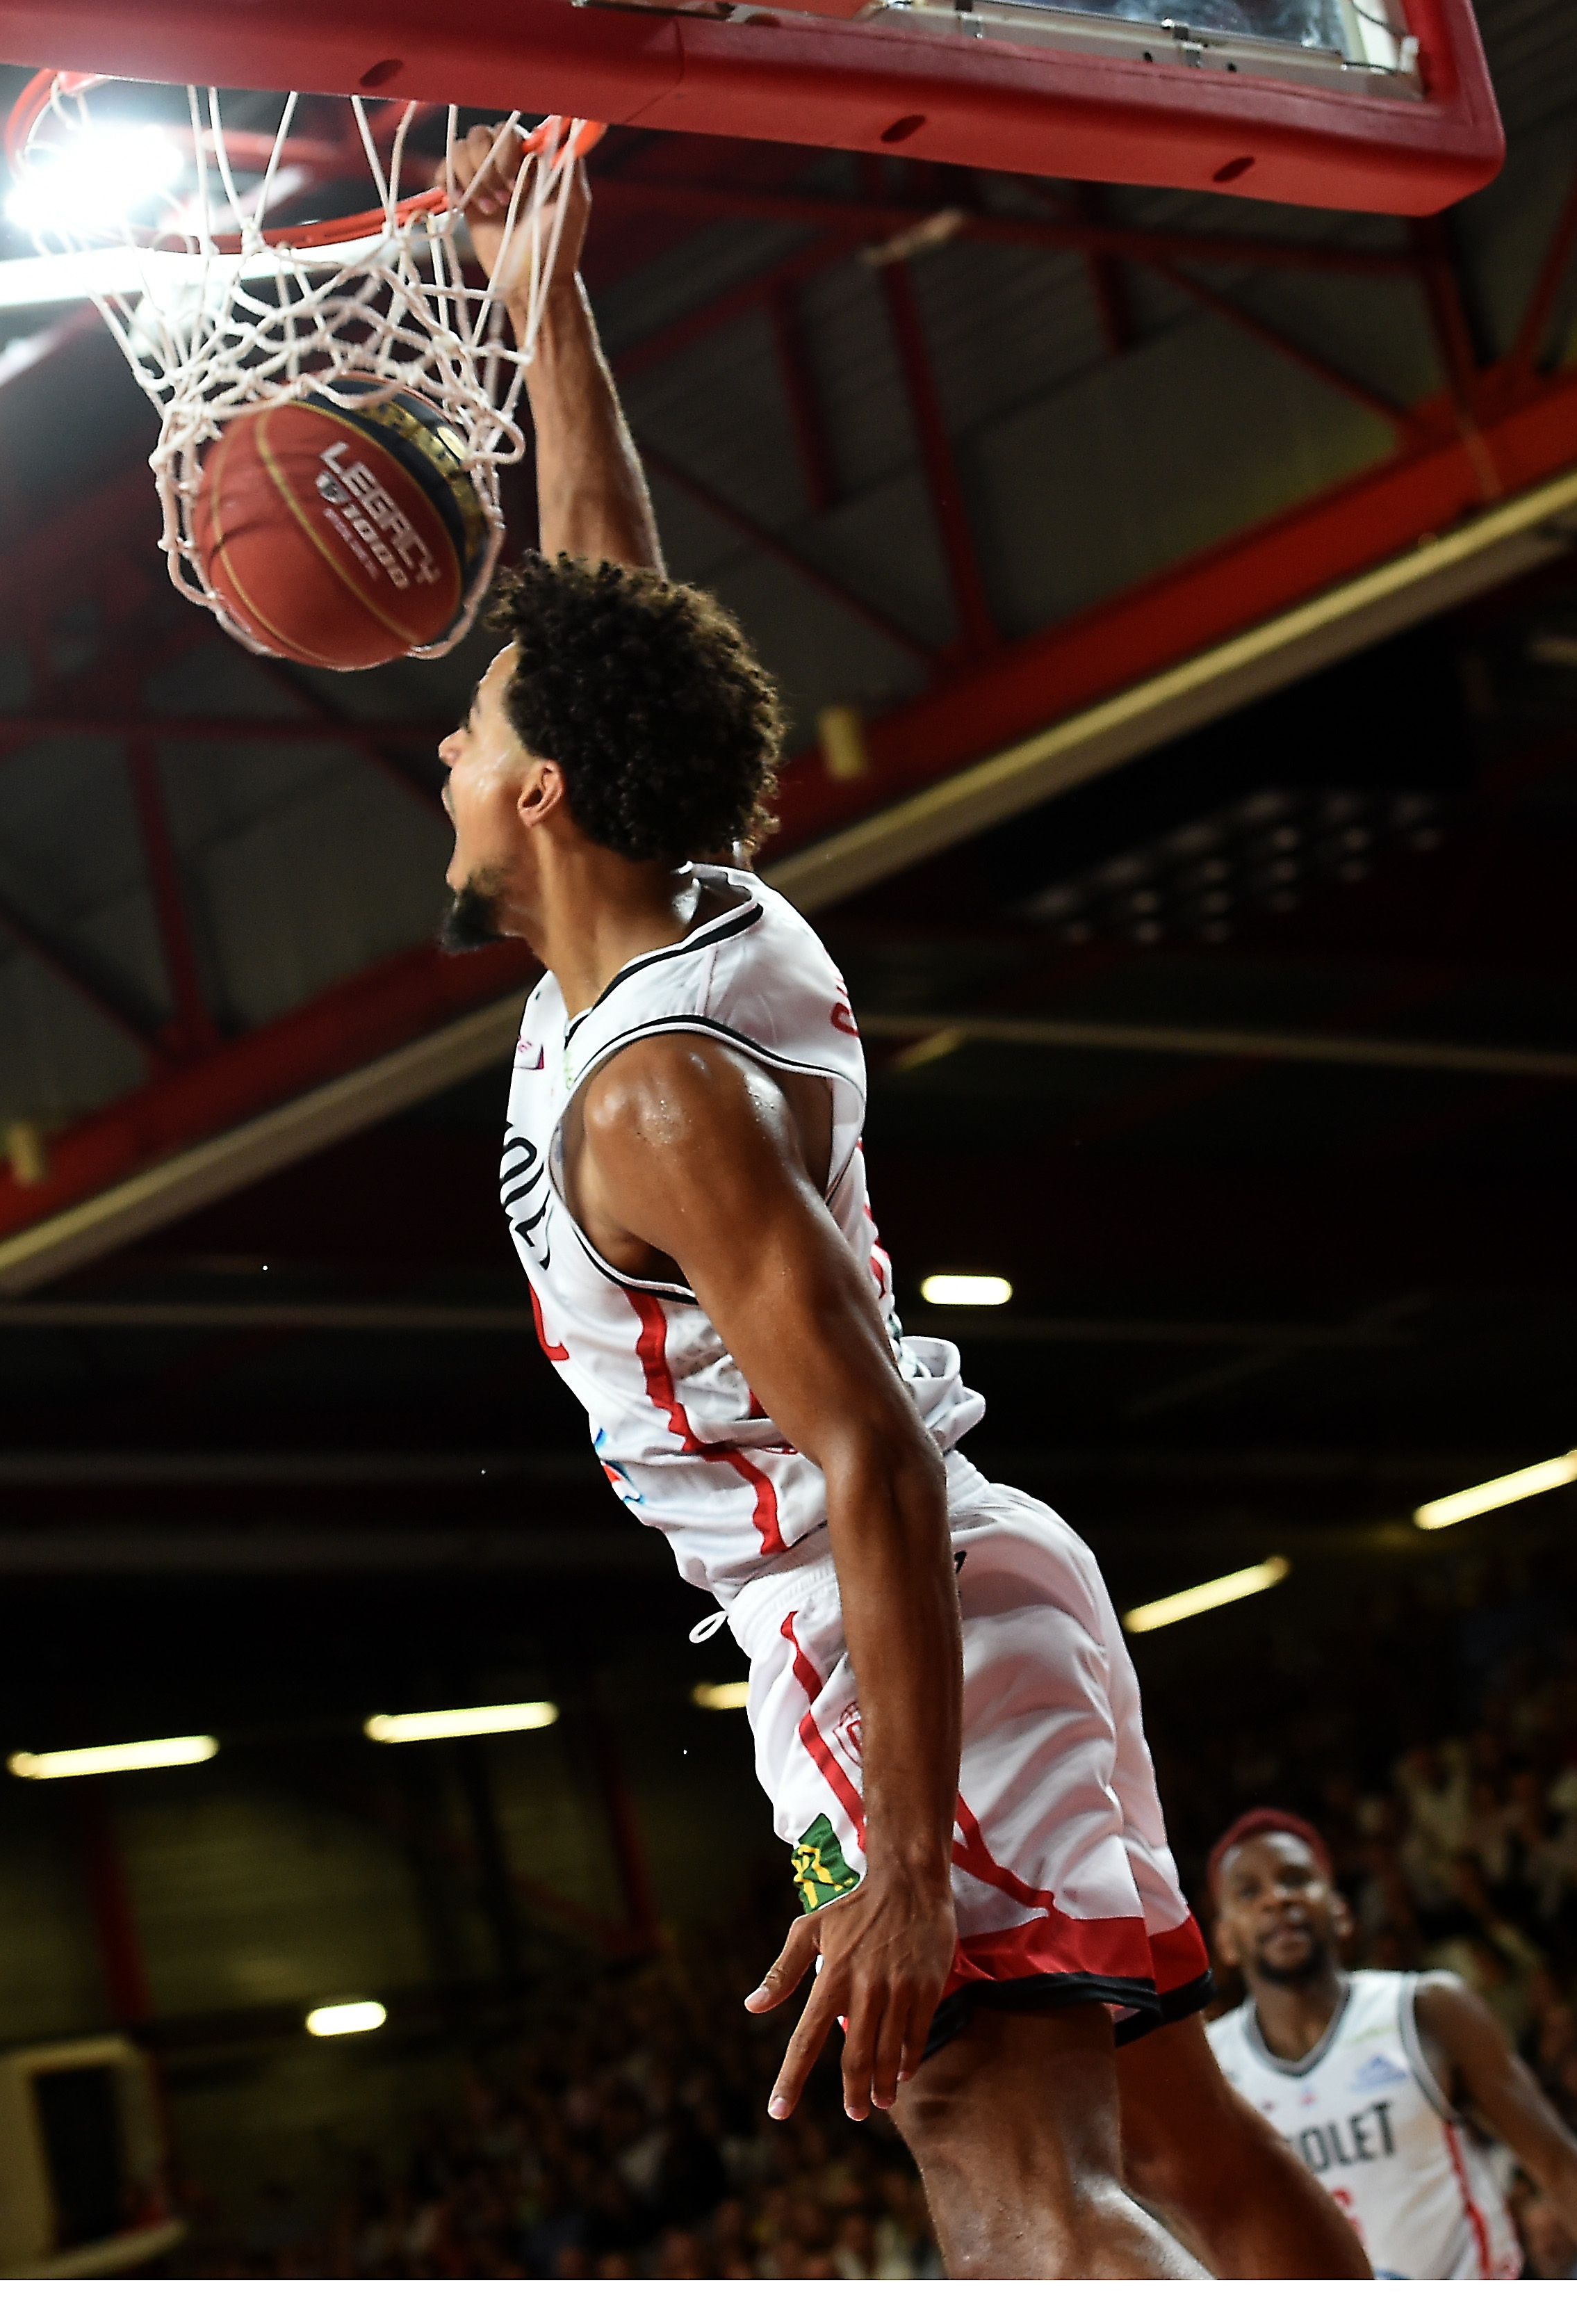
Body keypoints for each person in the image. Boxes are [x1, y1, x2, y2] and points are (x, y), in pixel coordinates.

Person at [434, 127, 1366, 2281]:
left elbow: (850, 1444)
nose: (450, 763)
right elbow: (600, 604)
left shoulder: (657, 1088)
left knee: (997, 2170)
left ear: (550, 799)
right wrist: (541, 302)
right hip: (956, 1588)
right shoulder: (686, 917)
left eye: (474, 740)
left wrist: (916, 1871)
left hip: (885, 1611)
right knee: (1182, 2152)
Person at [1207, 1807, 1577, 2278]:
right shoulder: (1212, 2066)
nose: (1276, 1899)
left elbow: (1557, 2163)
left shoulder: (1428, 2009)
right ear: (1226, 1940)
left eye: (1296, 1879)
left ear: (1340, 1910)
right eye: (1249, 1890)